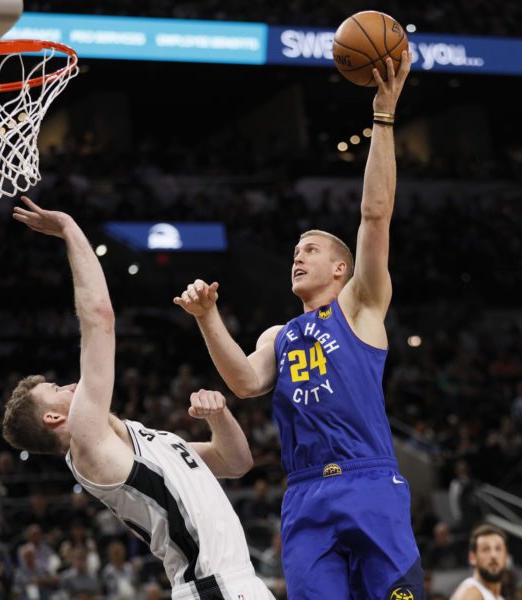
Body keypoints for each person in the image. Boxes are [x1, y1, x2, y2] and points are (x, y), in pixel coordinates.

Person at [174, 54, 421, 599]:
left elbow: (375, 215)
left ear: (341, 268)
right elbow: (242, 381)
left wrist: (383, 116)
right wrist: (208, 317)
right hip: (306, 493)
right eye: (294, 250)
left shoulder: (361, 306)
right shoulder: (278, 336)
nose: (297, 256)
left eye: (310, 249)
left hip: (369, 480)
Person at [1, 197, 274, 600]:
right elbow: (99, 319)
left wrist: (219, 416)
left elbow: (236, 463)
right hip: (212, 589)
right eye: (57, 391)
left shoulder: (143, 439)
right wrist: (70, 229)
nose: (70, 386)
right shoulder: (87, 442)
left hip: (238, 583)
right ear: (55, 420)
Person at [449, 524, 509, 600]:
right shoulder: (470, 592)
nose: (493, 555)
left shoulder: (498, 597)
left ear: (506, 557)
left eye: (498, 549)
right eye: (486, 549)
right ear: (472, 558)